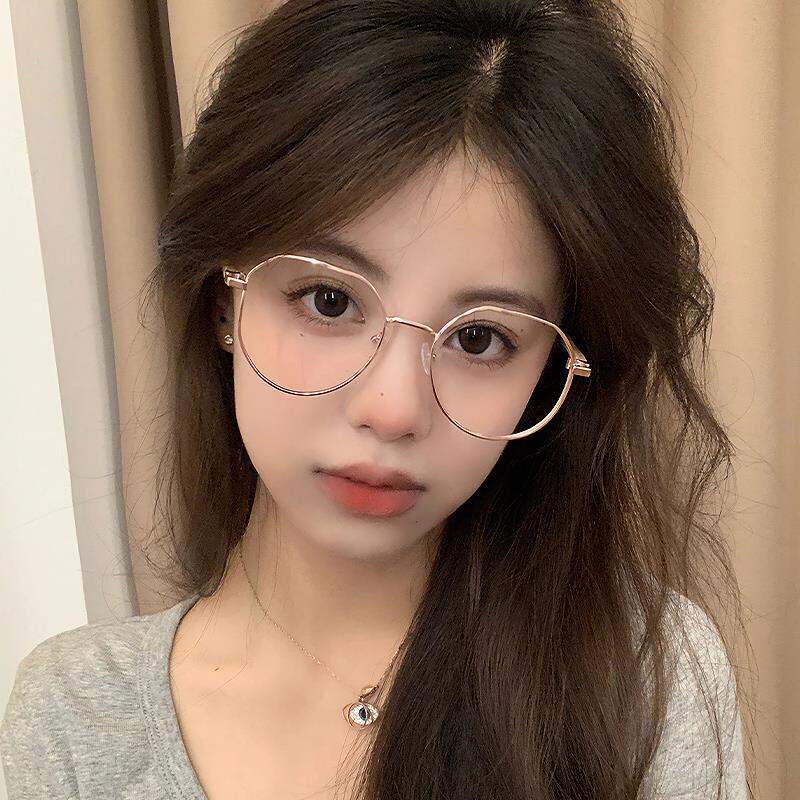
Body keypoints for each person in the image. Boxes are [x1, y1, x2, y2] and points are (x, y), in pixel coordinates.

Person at [0, 1, 752, 798]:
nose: (394, 410)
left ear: (551, 371)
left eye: (479, 339)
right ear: (224, 302)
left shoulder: (642, 676)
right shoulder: (78, 718)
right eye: (329, 301)